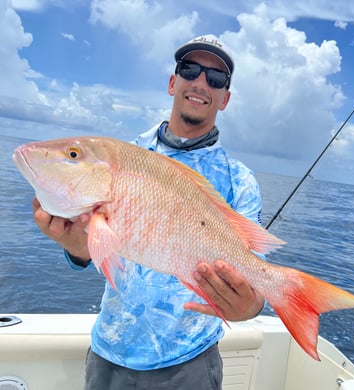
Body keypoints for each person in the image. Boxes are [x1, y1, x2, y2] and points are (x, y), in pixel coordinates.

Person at [33, 34, 265, 390]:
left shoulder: (240, 182)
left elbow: (252, 285)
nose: (200, 82)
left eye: (215, 78)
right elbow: (90, 249)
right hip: (109, 353)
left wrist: (247, 308)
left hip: (191, 362)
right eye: (190, 70)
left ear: (225, 98)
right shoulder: (124, 155)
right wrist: (77, 246)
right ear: (173, 82)